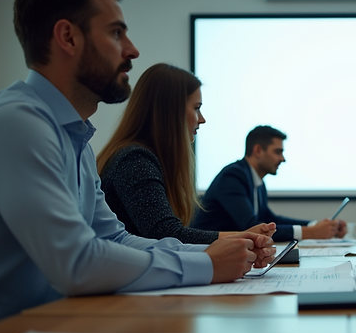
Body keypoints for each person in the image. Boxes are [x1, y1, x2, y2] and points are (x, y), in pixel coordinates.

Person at [0, 0, 273, 333]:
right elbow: (76, 262)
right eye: (116, 33)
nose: (133, 50)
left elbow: (113, 238)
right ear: (68, 38)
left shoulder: (71, 135)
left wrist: (213, 253)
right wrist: (207, 264)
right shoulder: (15, 123)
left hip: (47, 332)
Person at [97, 63, 275, 244]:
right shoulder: (134, 161)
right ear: (170, 111)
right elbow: (167, 236)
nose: (202, 119)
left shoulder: (145, 158)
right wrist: (243, 237)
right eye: (196, 108)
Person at [192, 126, 346, 242]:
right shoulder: (233, 176)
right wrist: (311, 233)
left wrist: (316, 226)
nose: (282, 159)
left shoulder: (257, 181)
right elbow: (251, 226)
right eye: (278, 152)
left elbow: (271, 219)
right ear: (258, 150)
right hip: (204, 251)